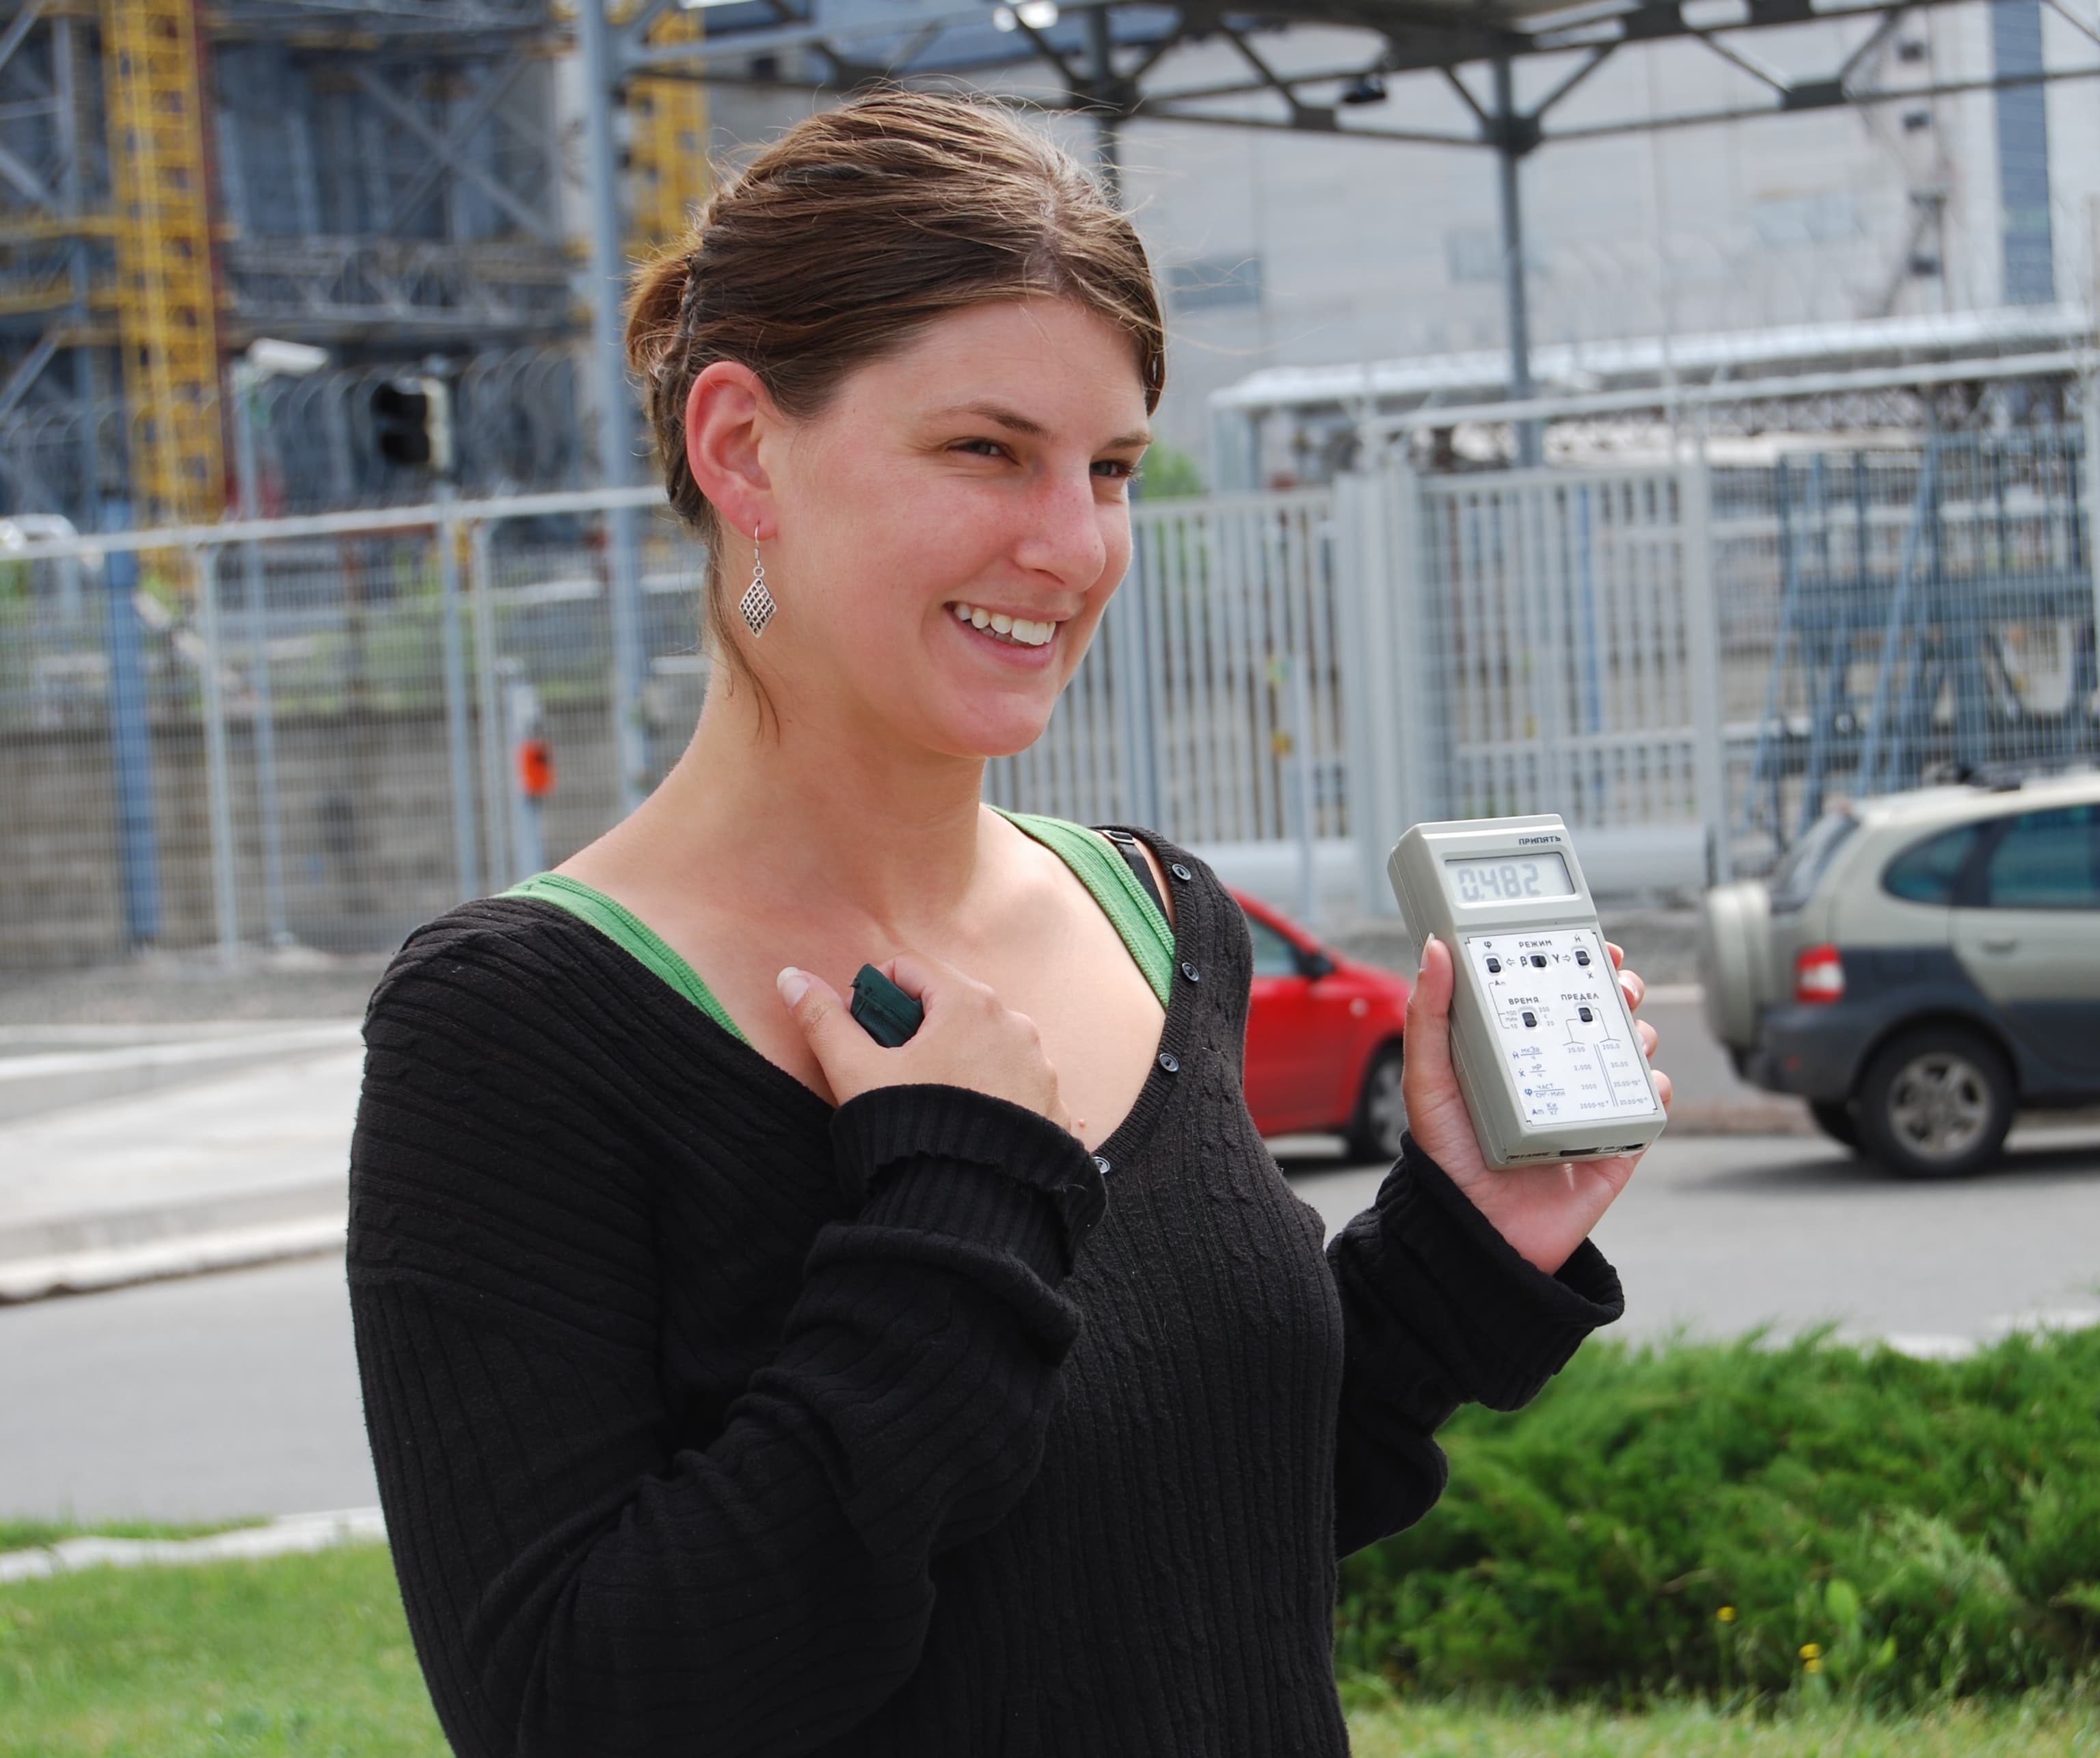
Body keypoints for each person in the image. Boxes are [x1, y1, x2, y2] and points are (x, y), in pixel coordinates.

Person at [346, 91, 1670, 1757]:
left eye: (1108, 467)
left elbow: (1179, 1532)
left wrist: (1462, 1247)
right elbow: (575, 1709)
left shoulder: (1161, 917)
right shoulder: (515, 1026)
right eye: (986, 449)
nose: (1071, 544)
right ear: (741, 447)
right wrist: (953, 1207)